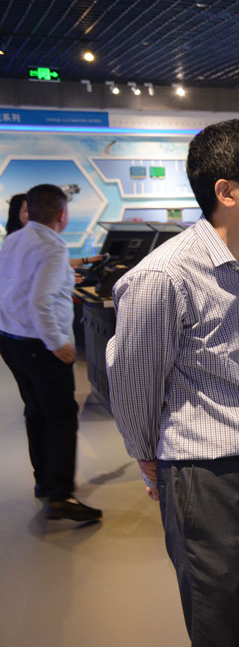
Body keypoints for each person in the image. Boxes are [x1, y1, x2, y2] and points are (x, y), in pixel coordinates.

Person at [106, 118, 239, 647]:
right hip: (205, 475)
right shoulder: (163, 277)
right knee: (223, 629)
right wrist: (148, 456)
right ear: (226, 192)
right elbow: (133, 379)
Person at [0, 184, 102, 521]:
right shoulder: (53, 247)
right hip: (40, 346)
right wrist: (57, 343)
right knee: (60, 416)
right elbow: (40, 301)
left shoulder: (13, 240)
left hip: (12, 341)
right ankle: (60, 495)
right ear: (62, 214)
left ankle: (43, 481)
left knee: (36, 411)